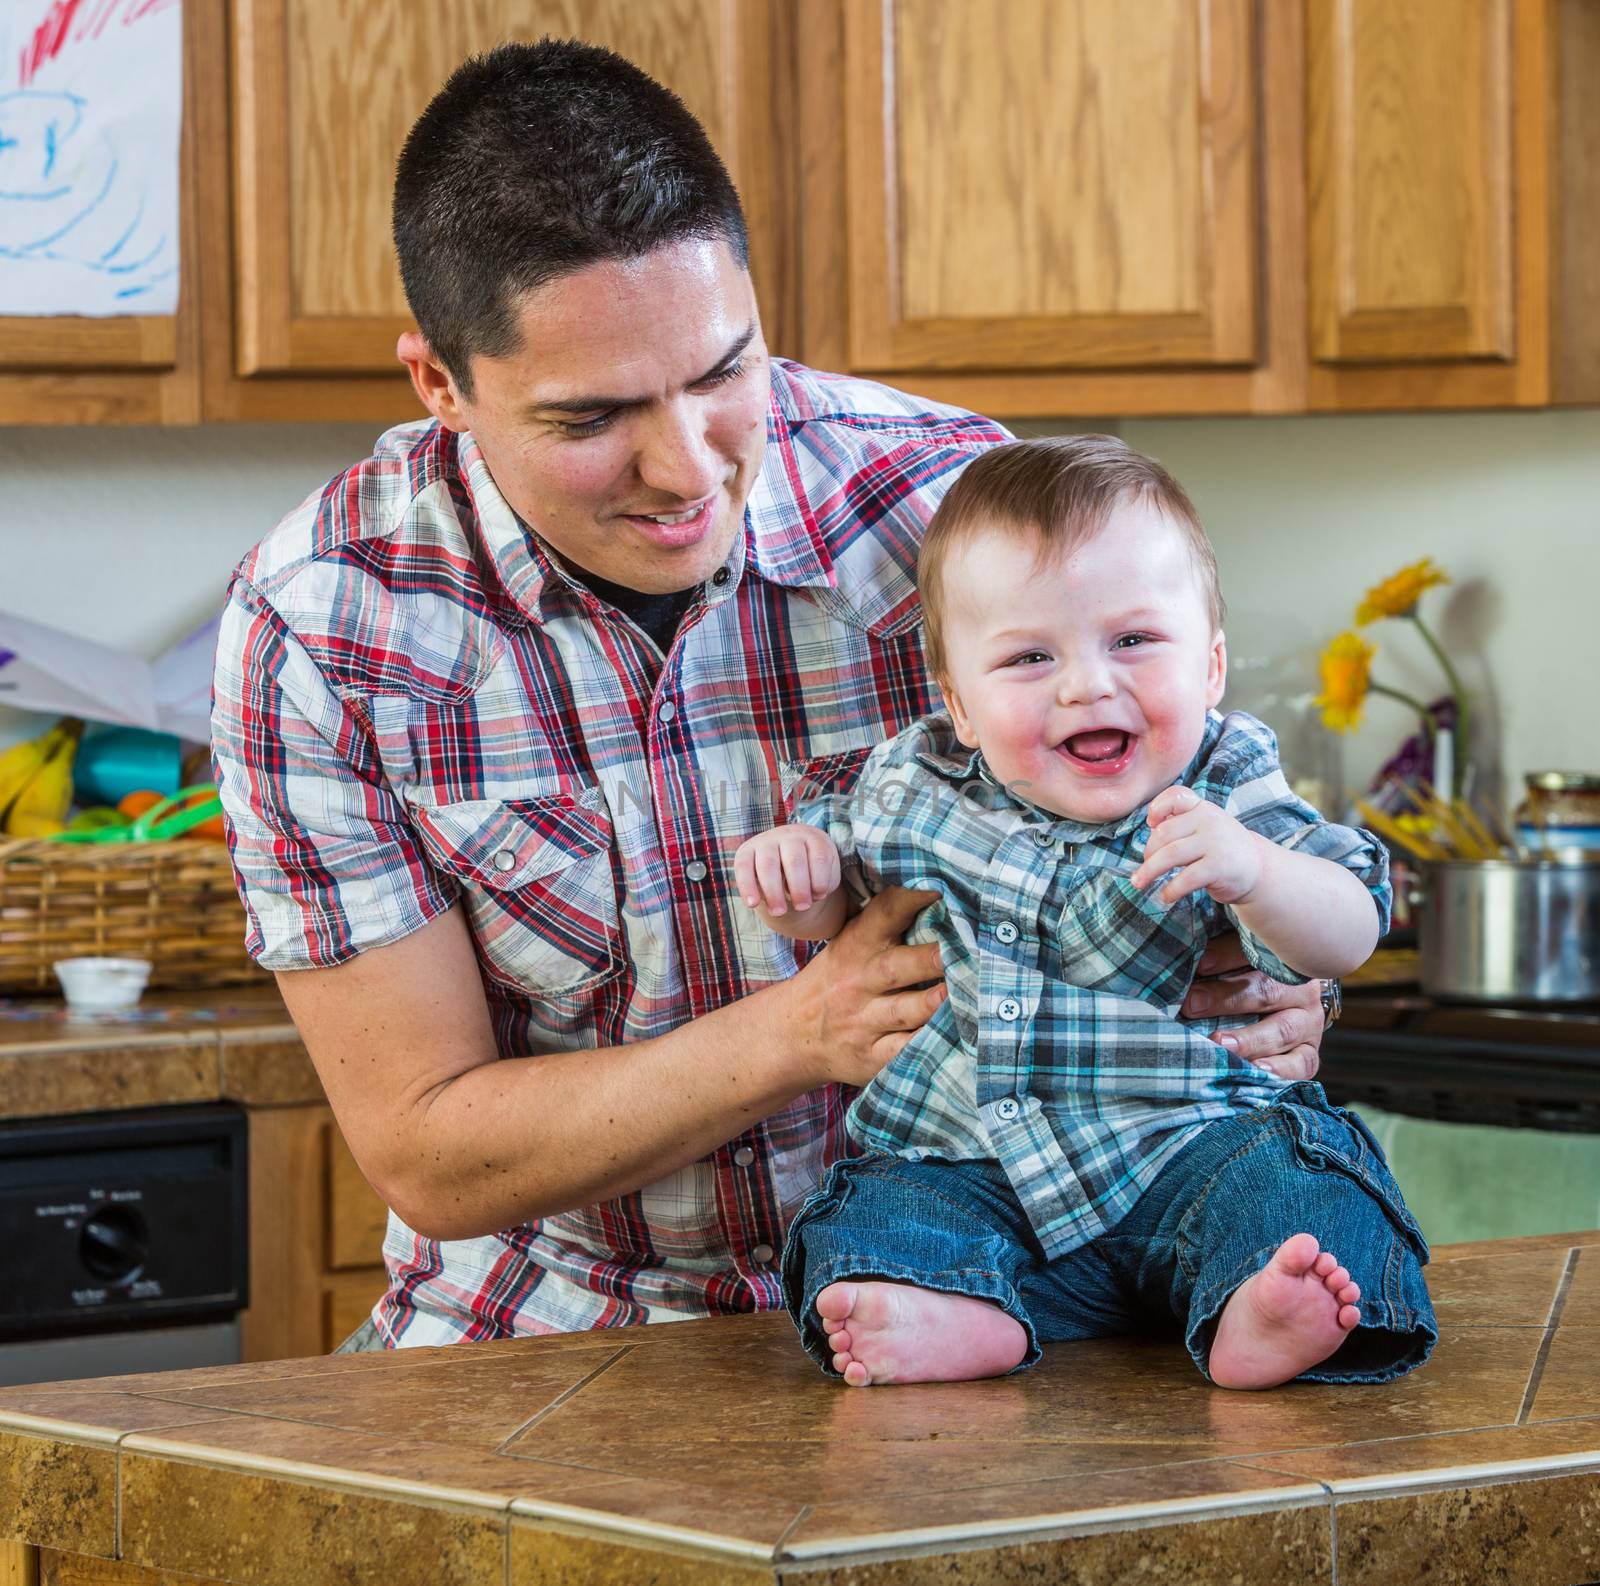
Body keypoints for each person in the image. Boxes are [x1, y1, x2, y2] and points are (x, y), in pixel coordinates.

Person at [210, 41, 1335, 1350]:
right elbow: (428, 1149)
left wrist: (1267, 980)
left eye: (721, 372)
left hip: (996, 1290)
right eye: (593, 419)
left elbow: (1221, 834)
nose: (687, 467)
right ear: (440, 385)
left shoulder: (956, 512)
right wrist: (802, 1029)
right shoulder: (324, 623)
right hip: (553, 1321)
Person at [737, 437, 1436, 1390]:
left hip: (1196, 1150)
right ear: (962, 707)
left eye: (1135, 641)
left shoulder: (1229, 782)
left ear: (1213, 666)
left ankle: (1254, 1305)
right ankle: (959, 1311)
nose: (1086, 684)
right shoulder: (919, 781)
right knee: (871, 1213)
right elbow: (834, 918)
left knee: (1306, 1180)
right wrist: (799, 874)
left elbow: (1351, 930)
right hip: (975, 1166)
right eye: (1028, 657)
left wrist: (1257, 872)